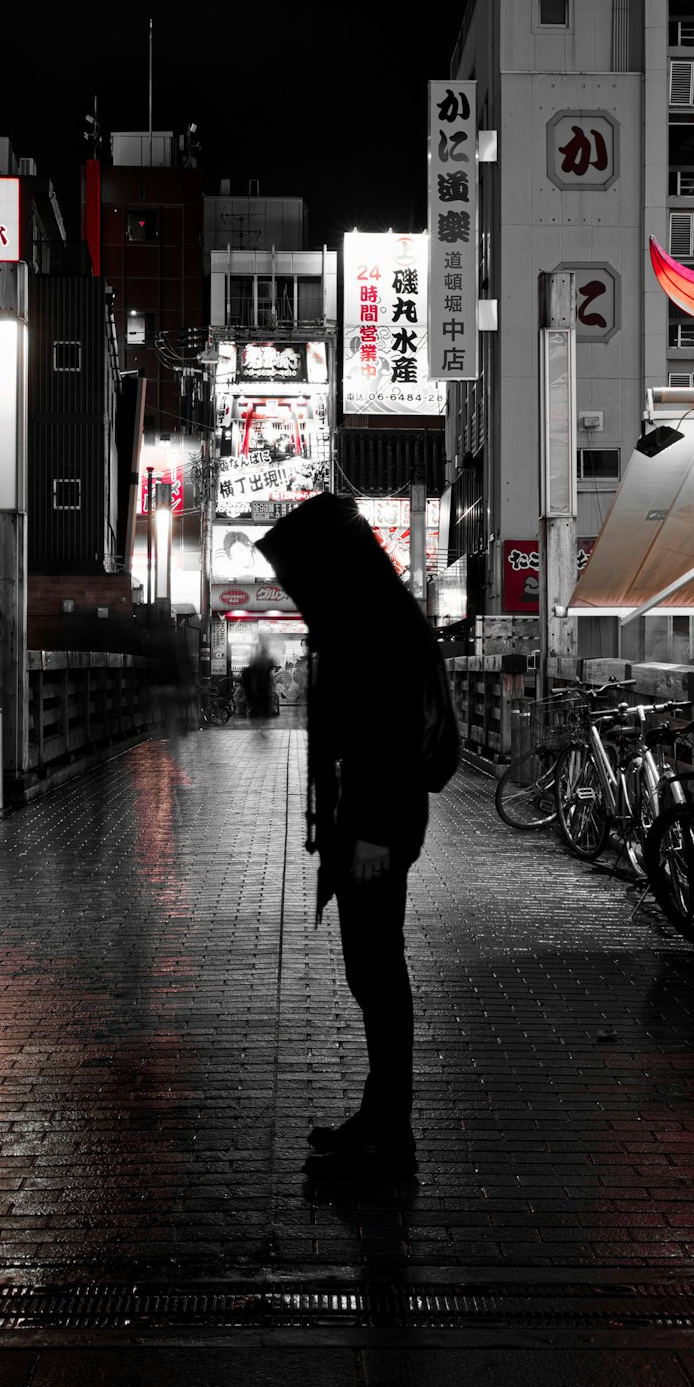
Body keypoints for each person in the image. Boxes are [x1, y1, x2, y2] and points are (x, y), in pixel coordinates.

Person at [256, 492, 434, 1180]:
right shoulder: (374, 610)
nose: (301, 590)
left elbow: (390, 739)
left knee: (379, 973)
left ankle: (391, 1135)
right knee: (372, 971)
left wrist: (373, 835)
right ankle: (380, 1116)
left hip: (378, 827)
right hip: (367, 821)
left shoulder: (380, 622)